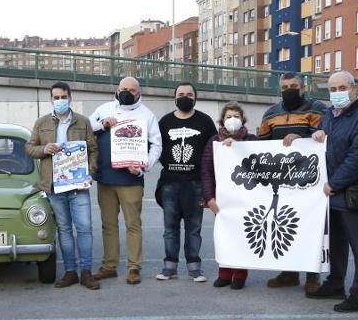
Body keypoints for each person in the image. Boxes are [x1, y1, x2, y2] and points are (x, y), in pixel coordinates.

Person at [291, 70, 358, 313]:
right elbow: (322, 139)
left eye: (343, 88)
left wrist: (334, 183)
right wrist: (317, 133)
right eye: (333, 89)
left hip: (352, 191)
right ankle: (336, 282)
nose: (338, 93)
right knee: (337, 242)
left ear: (354, 89)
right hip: (331, 192)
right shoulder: (330, 114)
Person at [26, 82, 100, 290]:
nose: (59, 101)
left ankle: (86, 272)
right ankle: (70, 272)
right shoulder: (41, 123)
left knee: (84, 229)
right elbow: (29, 148)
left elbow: (93, 149)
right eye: (56, 97)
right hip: (54, 187)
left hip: (78, 185)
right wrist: (43, 149)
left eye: (63, 97)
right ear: (51, 100)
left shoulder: (83, 122)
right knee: (64, 230)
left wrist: (90, 171)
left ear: (70, 98)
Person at [89, 77, 162, 285]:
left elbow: (156, 145)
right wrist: (103, 124)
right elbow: (86, 126)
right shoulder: (103, 109)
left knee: (133, 224)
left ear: (139, 93)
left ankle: (133, 267)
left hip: (131, 179)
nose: (127, 92)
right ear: (116, 90)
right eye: (123, 89)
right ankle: (109, 265)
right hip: (105, 177)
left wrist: (143, 166)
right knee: (108, 224)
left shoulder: (147, 115)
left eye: (131, 90)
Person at [259, 72, 327, 292]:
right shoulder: (270, 113)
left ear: (303, 87)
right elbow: (261, 145)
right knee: (284, 225)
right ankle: (289, 273)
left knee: (310, 227)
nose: (289, 89)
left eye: (294, 85)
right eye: (285, 86)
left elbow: (325, 137)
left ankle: (312, 277)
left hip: (310, 181)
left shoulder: (318, 109)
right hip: (281, 182)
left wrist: (302, 140)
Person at [155, 83, 217, 282]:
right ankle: (169, 267)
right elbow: (156, 148)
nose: (185, 97)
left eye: (189, 94)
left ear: (195, 98)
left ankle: (194, 268)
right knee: (170, 229)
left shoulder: (205, 122)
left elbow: (214, 151)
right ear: (174, 97)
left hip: (195, 184)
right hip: (170, 183)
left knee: (194, 228)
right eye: (181, 94)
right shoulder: (164, 122)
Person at [202, 101, 257, 289]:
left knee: (243, 236)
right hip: (222, 200)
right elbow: (207, 171)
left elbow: (260, 165)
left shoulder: (252, 140)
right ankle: (224, 273)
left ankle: (240, 275)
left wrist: (238, 147)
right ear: (222, 120)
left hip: (247, 199)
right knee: (224, 236)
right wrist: (209, 198)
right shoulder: (214, 142)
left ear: (243, 119)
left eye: (236, 116)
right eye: (228, 116)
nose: (232, 120)